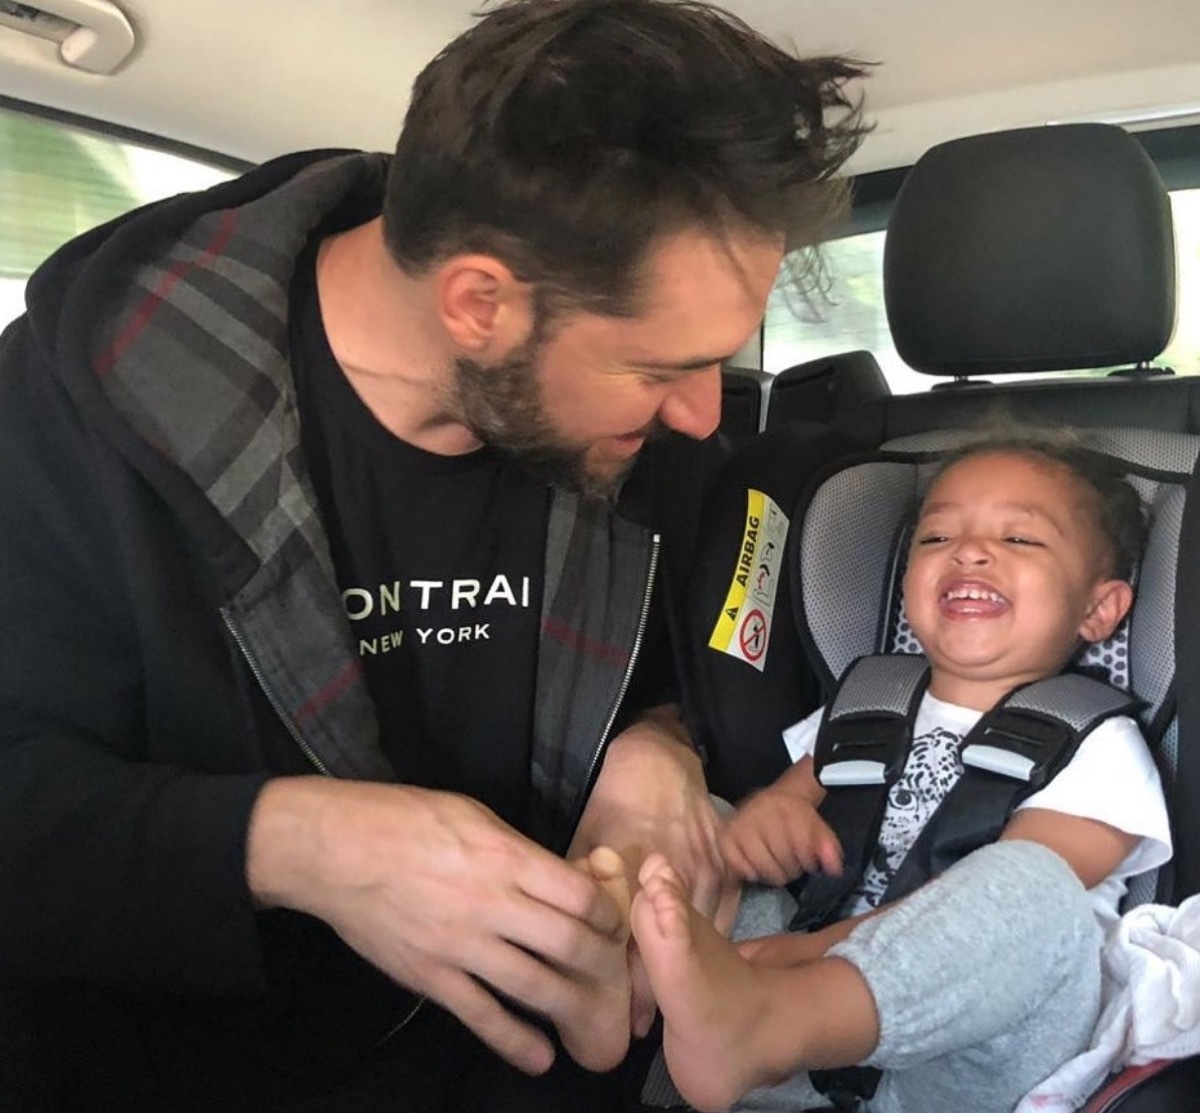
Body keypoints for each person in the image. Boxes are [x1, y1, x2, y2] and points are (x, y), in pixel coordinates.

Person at [0, 0, 870, 1109]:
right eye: (662, 369)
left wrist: (658, 746)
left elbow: (682, 661)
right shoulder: (80, 420)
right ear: (479, 304)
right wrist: (292, 844)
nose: (705, 414)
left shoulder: (641, 448)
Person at [630, 431, 1174, 1113]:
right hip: (785, 993)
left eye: (1021, 540)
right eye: (937, 537)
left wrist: (798, 964)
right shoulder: (864, 704)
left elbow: (1022, 902)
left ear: (1099, 609)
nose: (970, 551)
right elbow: (776, 809)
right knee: (693, 819)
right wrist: (762, 825)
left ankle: (759, 1024)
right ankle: (627, 990)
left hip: (969, 1061)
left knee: (1037, 887)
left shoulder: (1101, 743)